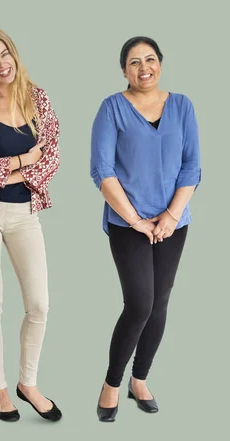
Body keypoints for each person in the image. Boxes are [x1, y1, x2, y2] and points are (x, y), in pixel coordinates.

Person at [91, 36, 201, 422]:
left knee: (160, 304)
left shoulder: (182, 106)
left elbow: (192, 166)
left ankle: (140, 379)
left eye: (150, 59)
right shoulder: (112, 109)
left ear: (160, 63)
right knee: (140, 303)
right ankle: (112, 384)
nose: (144, 68)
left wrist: (170, 216)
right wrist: (137, 220)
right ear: (124, 70)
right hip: (128, 222)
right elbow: (102, 171)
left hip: (174, 222)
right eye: (134, 62)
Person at [0, 27, 61, 422]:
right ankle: (0, 390)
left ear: (14, 55)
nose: (1, 64)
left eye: (5, 54)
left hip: (25, 215)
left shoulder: (39, 98)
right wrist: (23, 161)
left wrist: (8, 171)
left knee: (39, 304)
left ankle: (28, 383)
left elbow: (52, 159)